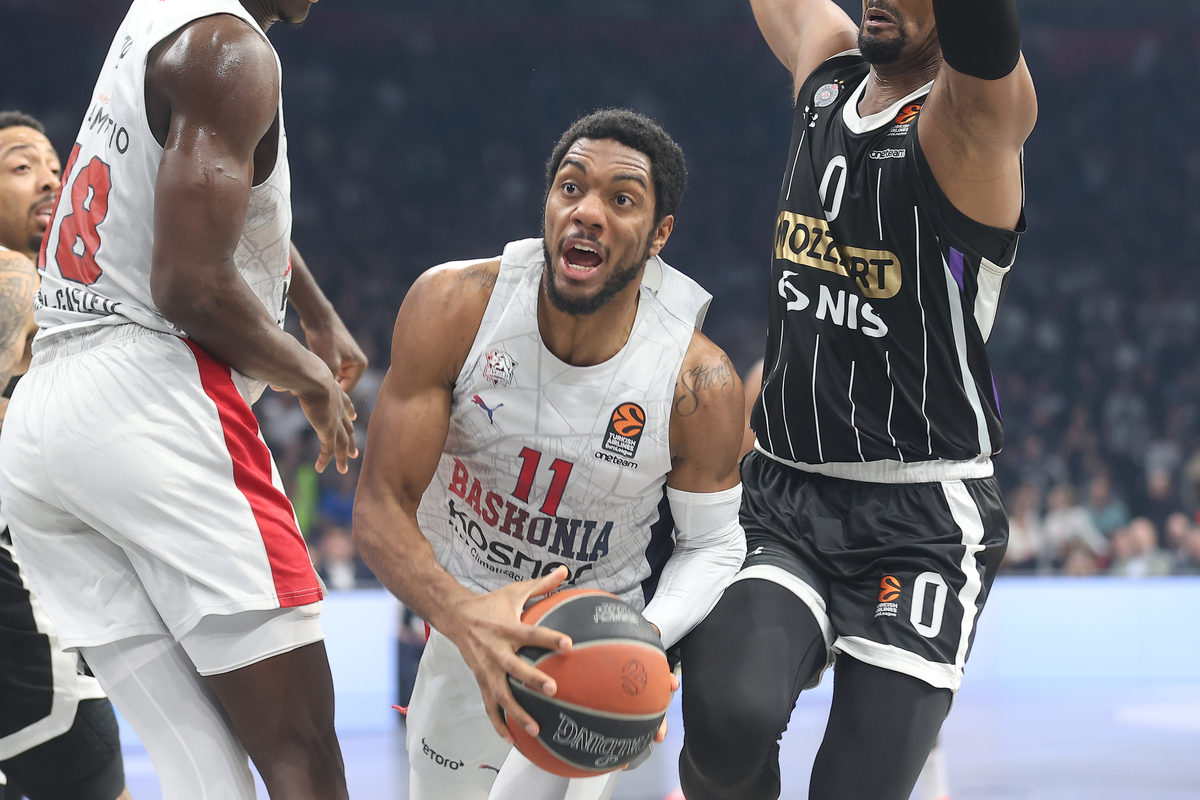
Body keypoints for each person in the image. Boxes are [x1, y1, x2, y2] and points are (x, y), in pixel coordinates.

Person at [0, 2, 368, 798]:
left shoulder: (166, 19)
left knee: (200, 767)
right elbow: (189, 287)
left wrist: (315, 308)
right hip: (151, 404)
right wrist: (308, 373)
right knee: (302, 749)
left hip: (46, 423)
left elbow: (205, 198)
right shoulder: (231, 49)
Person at [677, 0, 1037, 798]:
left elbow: (985, 42)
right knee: (725, 721)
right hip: (784, 495)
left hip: (922, 519)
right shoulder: (830, 73)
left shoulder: (968, 124)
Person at [353, 109, 747, 800]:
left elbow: (714, 545)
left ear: (660, 236)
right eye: (570, 188)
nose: (586, 213)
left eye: (621, 199)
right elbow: (381, 507)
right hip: (463, 623)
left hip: (591, 644)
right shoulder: (453, 306)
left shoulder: (699, 382)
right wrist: (460, 615)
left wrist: (641, 635)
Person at [0, 111, 132, 800]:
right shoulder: (12, 277)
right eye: (22, 167)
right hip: (17, 619)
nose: (50, 180)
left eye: (56, 166)